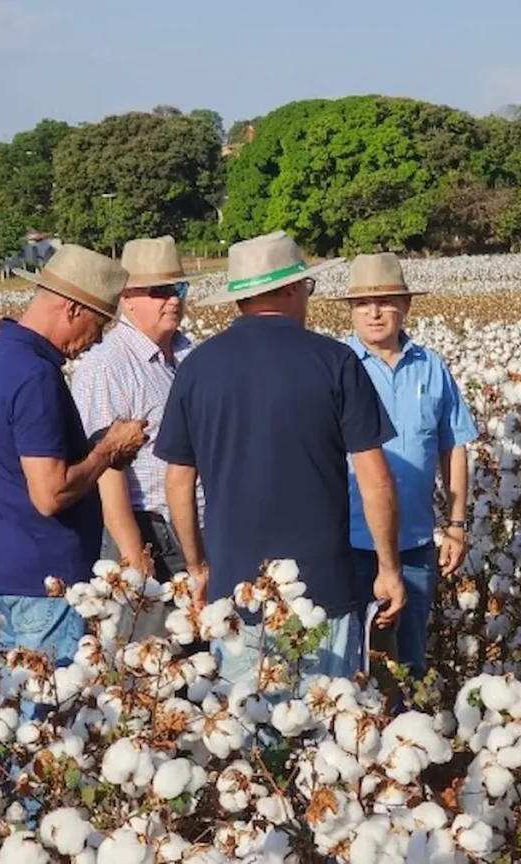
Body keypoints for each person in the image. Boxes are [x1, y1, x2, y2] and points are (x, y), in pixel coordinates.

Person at [153, 231, 406, 689]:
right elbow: (376, 481)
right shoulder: (337, 361)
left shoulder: (196, 367)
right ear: (291, 288)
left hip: (235, 593)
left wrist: (197, 567)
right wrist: (389, 569)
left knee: (246, 737)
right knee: (331, 740)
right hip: (323, 587)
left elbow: (177, 484)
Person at [0, 243, 148, 684]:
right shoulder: (35, 375)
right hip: (46, 584)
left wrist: (94, 446)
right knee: (47, 720)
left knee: (13, 711)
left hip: (4, 571)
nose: (99, 339)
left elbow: (13, 460)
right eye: (99, 324)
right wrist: (106, 451)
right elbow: (50, 493)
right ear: (71, 309)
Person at [331, 252, 478, 679]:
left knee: (410, 661)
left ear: (406, 306)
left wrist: (456, 524)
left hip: (414, 543)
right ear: (351, 311)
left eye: (386, 301)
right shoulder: (336, 367)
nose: (374, 312)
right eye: (363, 304)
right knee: (349, 664)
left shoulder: (432, 367)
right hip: (348, 543)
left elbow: (454, 447)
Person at [72, 236, 201, 641]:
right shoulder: (106, 366)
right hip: (149, 535)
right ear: (127, 297)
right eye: (160, 291)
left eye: (179, 289)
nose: (174, 301)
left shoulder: (187, 353)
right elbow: (106, 466)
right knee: (149, 660)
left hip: (192, 532)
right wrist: (133, 555)